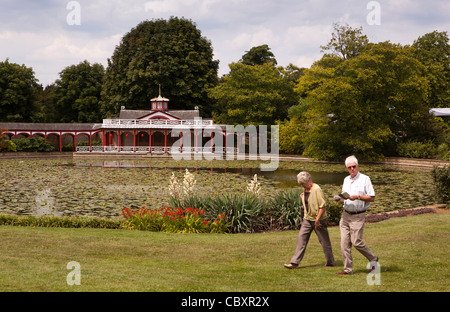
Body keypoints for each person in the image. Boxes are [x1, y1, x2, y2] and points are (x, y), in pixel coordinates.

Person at [334, 155, 379, 275]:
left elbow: (372, 198)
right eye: (349, 167)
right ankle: (348, 269)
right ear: (347, 168)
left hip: (358, 215)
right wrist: (339, 198)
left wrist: (358, 197)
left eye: (354, 166)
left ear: (357, 166)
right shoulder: (346, 180)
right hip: (345, 215)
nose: (352, 169)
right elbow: (345, 198)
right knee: (344, 243)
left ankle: (373, 258)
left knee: (356, 242)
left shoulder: (365, 179)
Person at [284, 171, 335, 269]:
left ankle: (330, 262)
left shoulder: (316, 189)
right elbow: (308, 201)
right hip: (307, 219)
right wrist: (302, 198)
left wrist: (317, 219)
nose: (302, 186)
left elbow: (322, 206)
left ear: (309, 180)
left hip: (319, 220)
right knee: (301, 239)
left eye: (303, 183)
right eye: (301, 184)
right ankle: (294, 263)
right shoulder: (306, 189)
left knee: (324, 241)